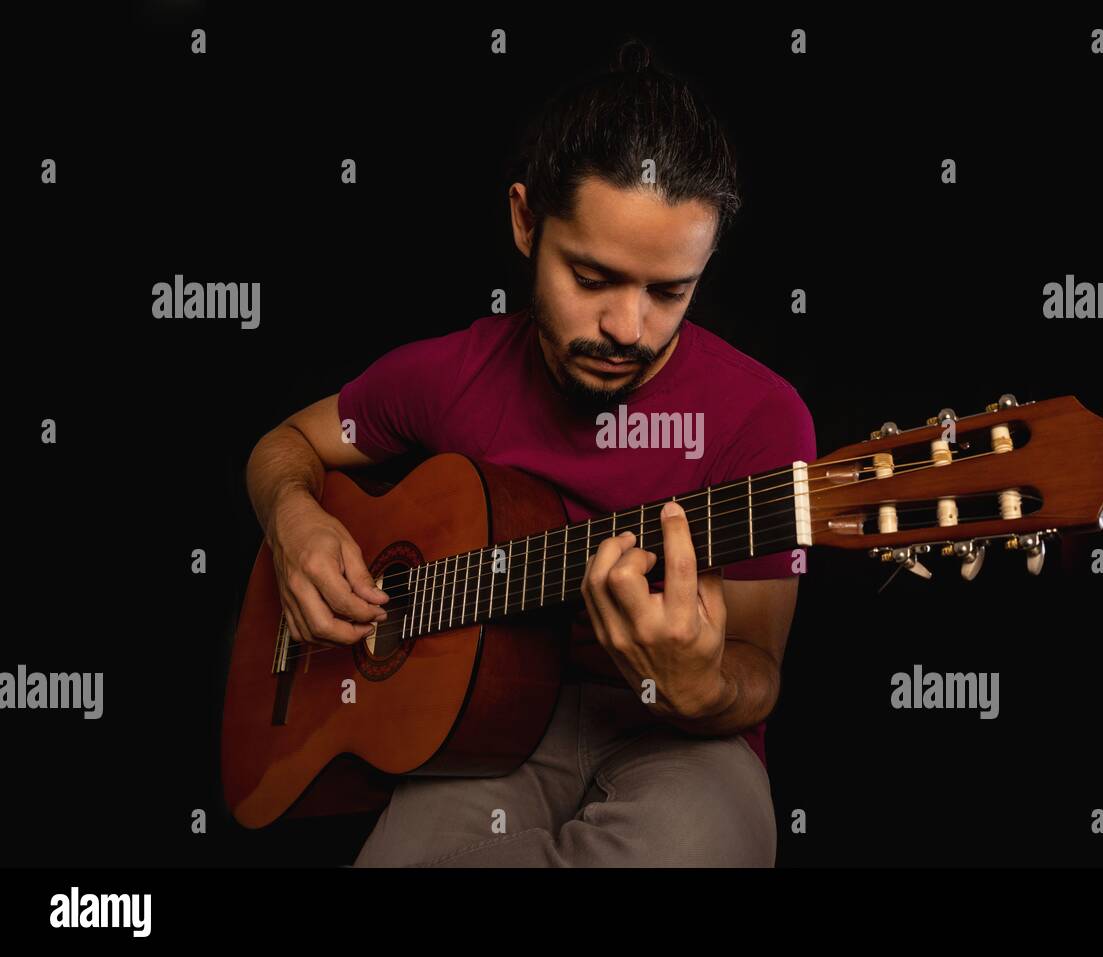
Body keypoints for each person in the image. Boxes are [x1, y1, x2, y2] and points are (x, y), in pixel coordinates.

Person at [244, 39, 815, 866]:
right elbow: (284, 444)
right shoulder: (451, 375)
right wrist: (293, 518)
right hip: (477, 733)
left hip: (679, 744)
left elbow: (759, 665)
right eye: (591, 277)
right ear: (524, 221)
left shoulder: (763, 417)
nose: (629, 329)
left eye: (669, 292)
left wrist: (705, 684)